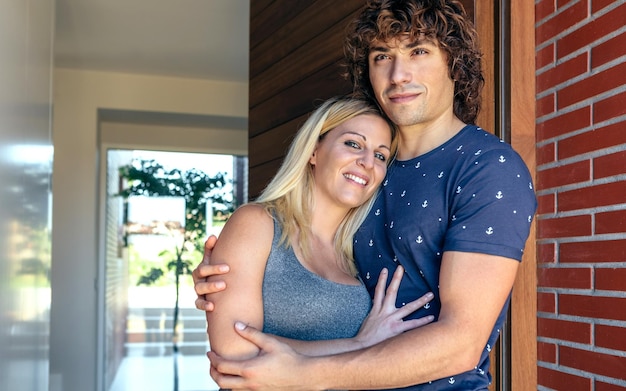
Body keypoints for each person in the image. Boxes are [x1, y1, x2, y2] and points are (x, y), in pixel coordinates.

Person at [194, 0, 537, 389]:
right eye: (381, 56)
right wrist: (232, 271)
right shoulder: (370, 173)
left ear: (453, 64)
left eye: (418, 51)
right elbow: (293, 255)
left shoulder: (487, 167)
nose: (398, 74)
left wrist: (305, 374)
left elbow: (461, 343)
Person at [204, 96, 435, 369]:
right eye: (353, 144)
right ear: (313, 151)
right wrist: (359, 345)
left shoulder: (363, 250)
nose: (367, 162)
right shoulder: (256, 223)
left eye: (380, 155)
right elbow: (234, 348)